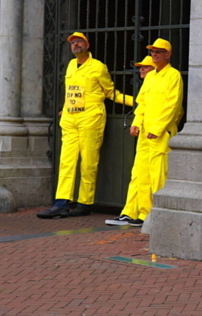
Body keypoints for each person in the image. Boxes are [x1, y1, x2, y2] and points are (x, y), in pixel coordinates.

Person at [37, 32, 134, 219]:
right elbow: (71, 92)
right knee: (67, 161)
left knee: (89, 162)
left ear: (87, 45)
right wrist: (65, 108)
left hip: (91, 118)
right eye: (72, 43)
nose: (75, 45)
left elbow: (110, 92)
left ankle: (84, 202)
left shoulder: (98, 67)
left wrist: (136, 102)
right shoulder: (71, 66)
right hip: (70, 118)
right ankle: (61, 202)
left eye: (79, 41)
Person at [107, 39, 183, 227]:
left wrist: (157, 129)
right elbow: (142, 104)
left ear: (168, 54)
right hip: (144, 133)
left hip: (161, 133)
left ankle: (159, 214)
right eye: (153, 52)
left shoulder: (173, 76)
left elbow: (172, 106)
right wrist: (136, 122)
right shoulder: (150, 77)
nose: (155, 54)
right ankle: (143, 213)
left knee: (158, 174)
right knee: (140, 173)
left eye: (159, 51)